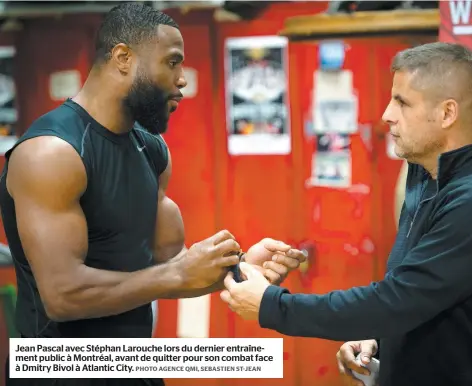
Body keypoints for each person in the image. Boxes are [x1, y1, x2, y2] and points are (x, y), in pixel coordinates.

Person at [1, 3, 305, 385]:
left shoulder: (151, 149)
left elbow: (169, 266)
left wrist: (240, 270)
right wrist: (180, 272)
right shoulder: (52, 153)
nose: (182, 80)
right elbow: (63, 296)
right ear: (123, 58)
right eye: (172, 63)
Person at [220, 42, 472, 386]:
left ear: (447, 113)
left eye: (402, 102)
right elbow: (428, 299)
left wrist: (271, 305)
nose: (387, 114)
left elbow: (398, 300)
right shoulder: (427, 178)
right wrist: (380, 342)